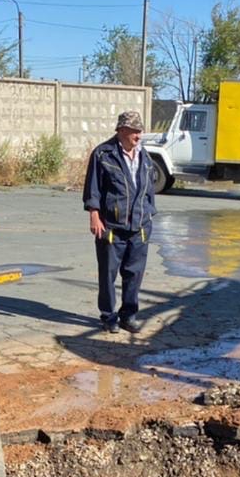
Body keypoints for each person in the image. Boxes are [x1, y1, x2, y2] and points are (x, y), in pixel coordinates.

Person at [82, 109, 156, 334]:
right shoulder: (103, 154)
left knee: (134, 274)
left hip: (139, 227)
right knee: (108, 274)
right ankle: (108, 316)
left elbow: (149, 189)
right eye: (134, 131)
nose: (138, 136)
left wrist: (150, 213)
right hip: (112, 227)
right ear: (122, 130)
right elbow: (93, 187)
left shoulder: (145, 156)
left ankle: (128, 315)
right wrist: (94, 214)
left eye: (140, 131)